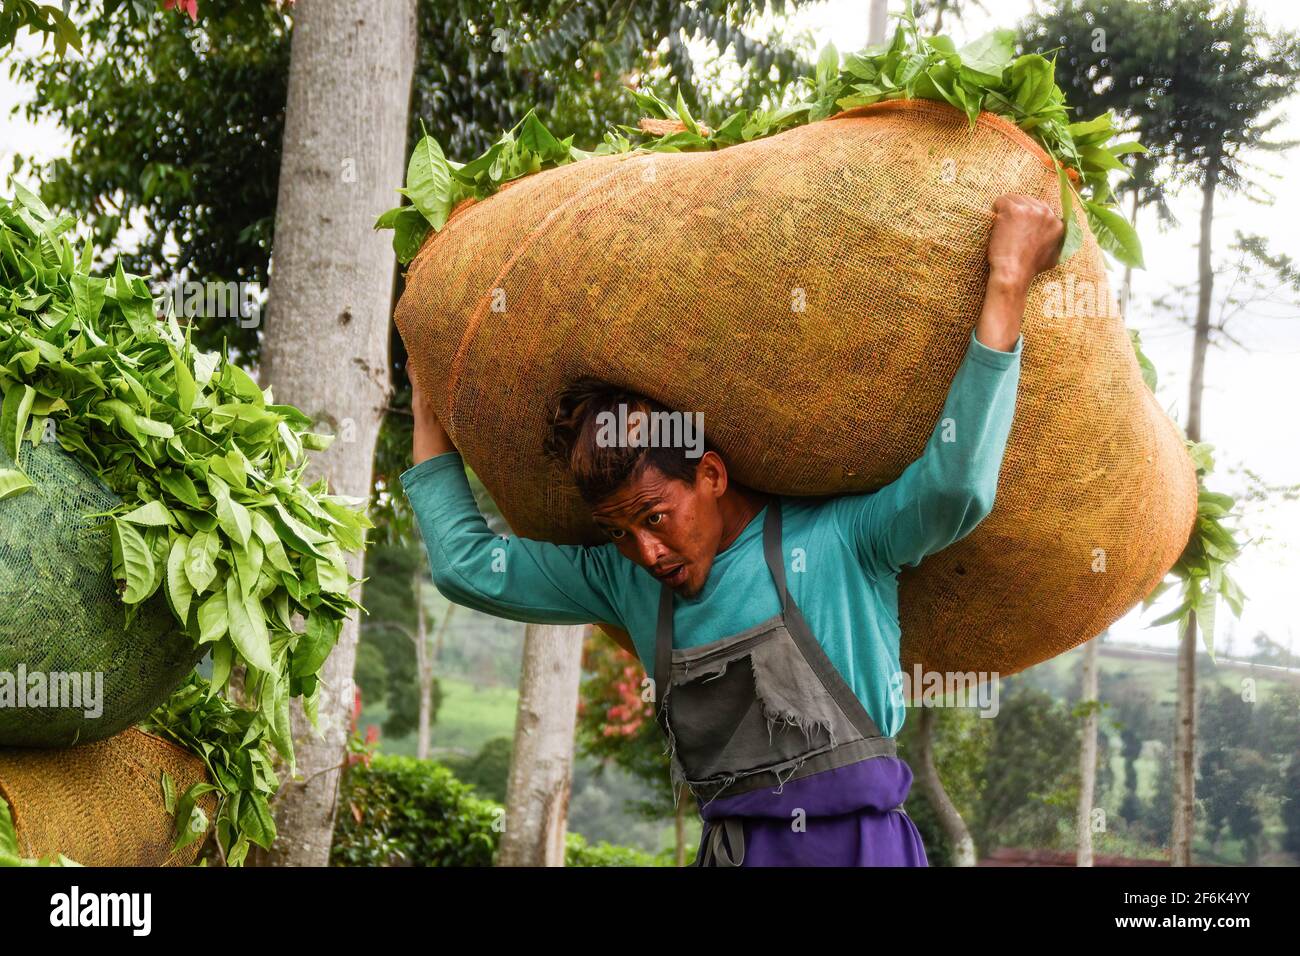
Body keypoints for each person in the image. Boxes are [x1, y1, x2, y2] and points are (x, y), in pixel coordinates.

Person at [399, 194, 1065, 866]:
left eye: (654, 518)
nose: (646, 552)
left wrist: (1007, 282)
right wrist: (429, 415)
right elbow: (464, 566)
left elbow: (955, 487)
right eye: (621, 531)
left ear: (711, 475)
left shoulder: (838, 542)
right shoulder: (622, 580)